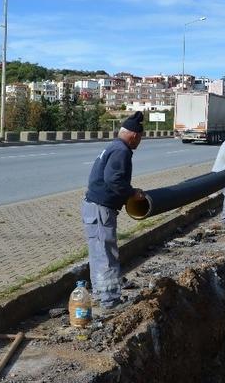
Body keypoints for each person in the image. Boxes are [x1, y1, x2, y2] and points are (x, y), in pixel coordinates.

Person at [82, 111, 145, 310]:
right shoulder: (121, 151)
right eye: (140, 138)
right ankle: (110, 301)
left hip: (95, 208)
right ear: (134, 135)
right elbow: (114, 180)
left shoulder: (113, 146)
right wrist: (132, 193)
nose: (139, 142)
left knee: (99, 254)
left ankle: (103, 295)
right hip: (101, 210)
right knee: (106, 255)